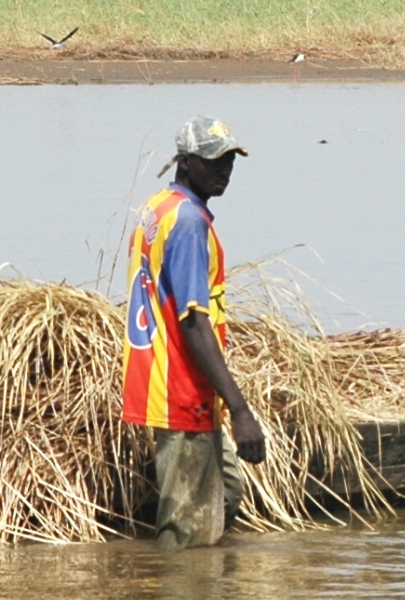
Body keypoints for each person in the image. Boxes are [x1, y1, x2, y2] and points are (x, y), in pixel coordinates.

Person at [124, 116, 268, 550]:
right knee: (186, 533)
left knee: (225, 495)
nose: (224, 170)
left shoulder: (159, 207)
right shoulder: (187, 222)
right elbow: (193, 322)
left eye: (229, 160)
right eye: (212, 161)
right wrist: (240, 409)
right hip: (180, 390)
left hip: (173, 387)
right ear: (185, 163)